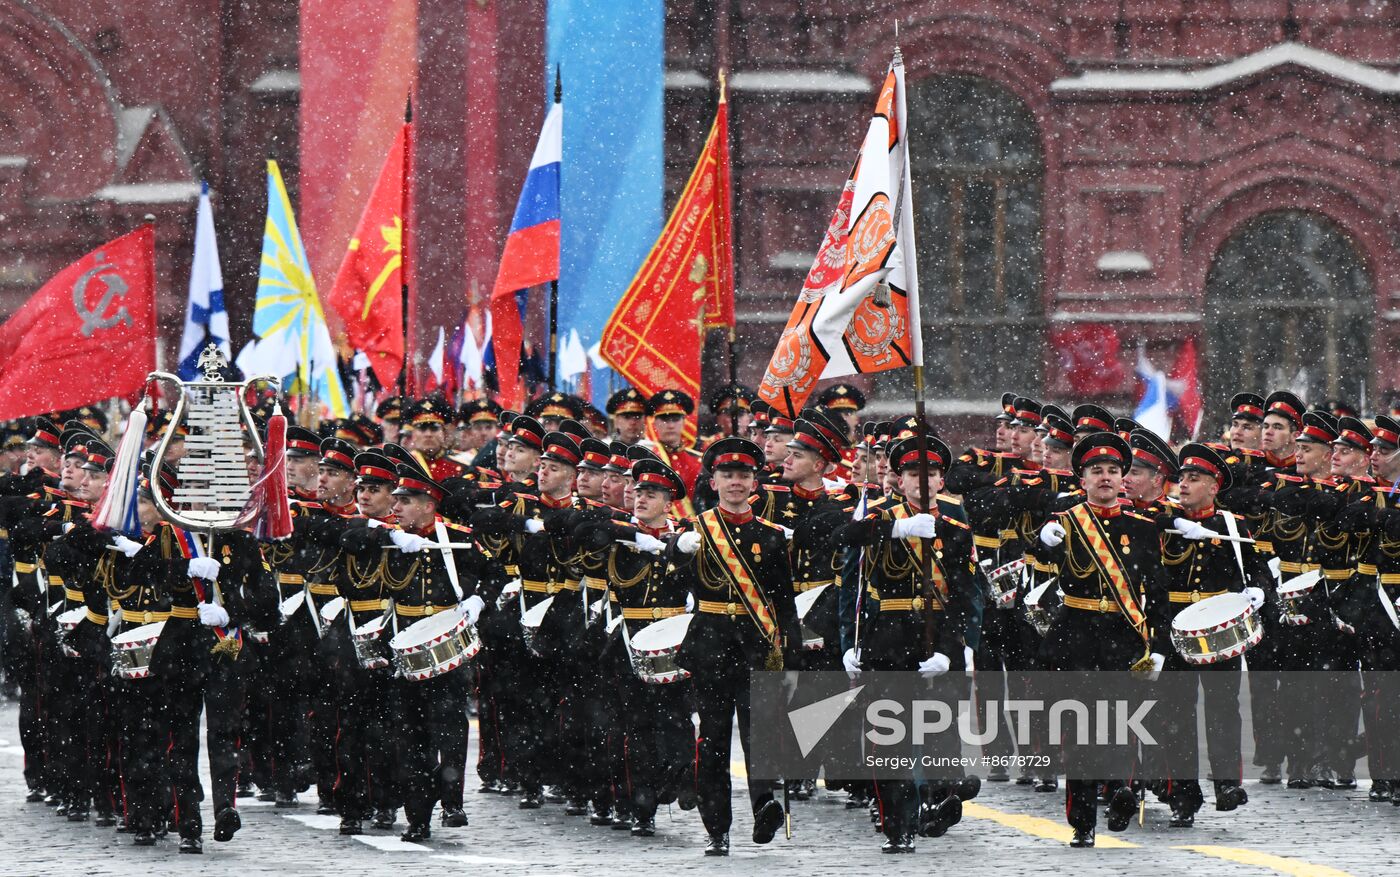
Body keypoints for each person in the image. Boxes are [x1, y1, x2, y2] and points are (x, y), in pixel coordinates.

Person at [836, 432, 977, 853]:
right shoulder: (877, 519)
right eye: (913, 472)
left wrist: (956, 650)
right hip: (887, 638)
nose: (923, 481)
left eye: (931, 473)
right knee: (890, 738)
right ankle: (899, 825)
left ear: (941, 479)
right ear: (898, 478)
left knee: (937, 734)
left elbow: (966, 595)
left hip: (935, 639)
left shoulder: (954, 529)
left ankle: (932, 803)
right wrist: (897, 528)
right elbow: (840, 544)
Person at [341, 458, 495, 842]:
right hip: (404, 648)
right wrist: (388, 535)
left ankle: (452, 801)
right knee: (410, 736)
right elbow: (347, 533)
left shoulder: (456, 537)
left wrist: (478, 600)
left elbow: (495, 573)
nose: (395, 508)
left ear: (428, 504)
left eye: (404, 501)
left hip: (448, 648)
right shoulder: (387, 536)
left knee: (449, 726)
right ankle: (418, 816)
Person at [1030, 431, 1170, 848]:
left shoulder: (1142, 528)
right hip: (1077, 633)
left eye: (1113, 470)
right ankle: (1082, 819)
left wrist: (1158, 646)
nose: (1106, 477)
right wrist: (1042, 541)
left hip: (1122, 636)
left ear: (1123, 478)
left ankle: (1120, 791)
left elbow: (1157, 593)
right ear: (1083, 479)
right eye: (1096, 471)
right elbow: (1035, 561)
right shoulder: (1066, 522)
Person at [672, 436, 799, 856]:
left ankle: (764, 807)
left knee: (760, 736)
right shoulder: (696, 531)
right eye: (727, 475)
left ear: (755, 483)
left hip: (756, 648)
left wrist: (792, 660)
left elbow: (784, 604)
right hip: (710, 648)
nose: (735, 482)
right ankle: (717, 828)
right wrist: (676, 550)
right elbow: (673, 585)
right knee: (712, 742)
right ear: (712, 481)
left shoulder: (773, 536)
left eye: (744, 475)